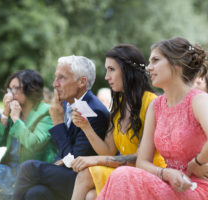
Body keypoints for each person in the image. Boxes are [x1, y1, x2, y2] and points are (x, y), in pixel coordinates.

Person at [97, 37, 208, 200]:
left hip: (200, 188)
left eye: (155, 60)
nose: (148, 67)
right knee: (122, 176)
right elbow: (142, 163)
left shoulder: (198, 100)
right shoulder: (156, 106)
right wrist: (166, 173)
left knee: (123, 175)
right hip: (170, 183)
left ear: (177, 64)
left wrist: (197, 163)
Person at [70, 44, 166, 200]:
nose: (107, 76)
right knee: (91, 196)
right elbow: (108, 150)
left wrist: (94, 159)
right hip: (126, 171)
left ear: (128, 71)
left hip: (151, 172)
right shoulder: (119, 104)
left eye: (111, 70)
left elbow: (140, 158)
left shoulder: (152, 102)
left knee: (86, 174)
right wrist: (85, 127)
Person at [12, 55, 110, 200]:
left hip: (81, 179)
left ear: (81, 82)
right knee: (36, 193)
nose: (54, 84)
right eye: (55, 77)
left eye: (61, 78)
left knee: (29, 168)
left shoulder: (94, 110)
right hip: (64, 172)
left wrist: (58, 122)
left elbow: (72, 162)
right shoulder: (64, 103)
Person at [0, 69, 57, 200]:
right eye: (10, 89)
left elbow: (34, 143)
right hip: (9, 168)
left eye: (16, 88)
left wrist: (16, 119)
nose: (11, 94)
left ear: (31, 89)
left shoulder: (45, 112)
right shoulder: (16, 110)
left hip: (32, 171)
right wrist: (5, 114)